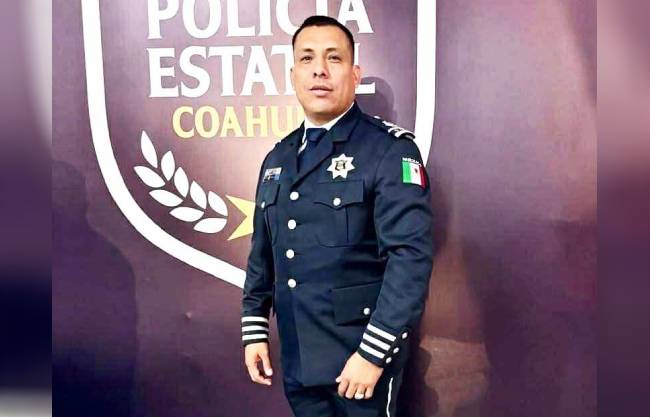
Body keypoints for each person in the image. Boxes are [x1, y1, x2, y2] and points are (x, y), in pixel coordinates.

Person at [241, 15, 434, 417]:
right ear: (293, 75)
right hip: (300, 359)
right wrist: (254, 325)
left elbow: (409, 258)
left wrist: (374, 353)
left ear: (354, 74)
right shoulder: (277, 159)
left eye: (334, 58)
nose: (319, 70)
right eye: (307, 59)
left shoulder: (388, 150)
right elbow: (263, 253)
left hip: (360, 361)